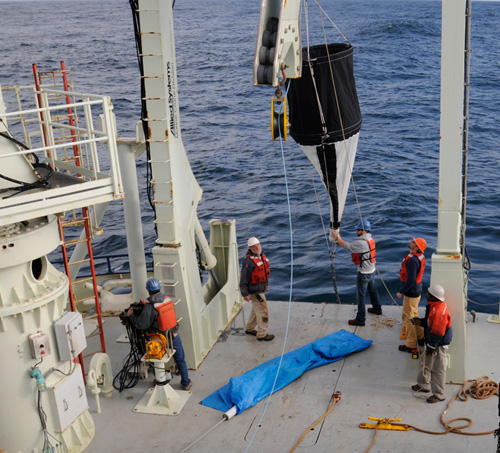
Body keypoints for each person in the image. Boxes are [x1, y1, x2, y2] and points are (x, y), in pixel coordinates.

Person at [127, 277, 192, 391]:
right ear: (159, 289)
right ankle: (186, 383)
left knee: (152, 356)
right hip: (174, 335)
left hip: (160, 339)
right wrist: (147, 304)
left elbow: (141, 324)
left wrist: (131, 315)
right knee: (181, 359)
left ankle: (163, 377)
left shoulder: (149, 307)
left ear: (148, 291)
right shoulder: (167, 299)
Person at [332, 220, 383, 326]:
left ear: (364, 231)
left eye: (359, 229)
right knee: (373, 290)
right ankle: (377, 308)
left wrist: (336, 238)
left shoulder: (360, 243)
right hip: (372, 270)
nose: (357, 231)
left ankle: (360, 319)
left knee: (360, 296)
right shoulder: (370, 239)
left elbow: (347, 246)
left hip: (364, 273)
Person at [411, 283, 452, 403]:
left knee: (438, 369)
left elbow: (438, 332)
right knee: (425, 362)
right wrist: (420, 322)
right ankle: (423, 385)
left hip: (437, 344)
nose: (426, 294)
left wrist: (430, 347)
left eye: (429, 293)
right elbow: (431, 323)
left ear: (434, 297)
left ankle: (439, 395)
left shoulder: (438, 311)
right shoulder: (434, 306)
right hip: (432, 342)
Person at [240, 237, 274, 341]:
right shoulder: (248, 262)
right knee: (263, 311)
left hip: (261, 288)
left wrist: (266, 284)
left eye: (258, 244)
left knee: (256, 310)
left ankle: (250, 328)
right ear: (250, 248)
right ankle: (262, 334)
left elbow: (264, 272)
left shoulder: (261, 256)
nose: (257, 247)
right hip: (255, 291)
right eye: (254, 246)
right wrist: (245, 294)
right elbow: (243, 279)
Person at [397, 237, 427, 353]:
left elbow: (410, 281)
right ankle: (420, 337)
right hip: (417, 291)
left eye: (413, 242)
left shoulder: (412, 261)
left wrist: (401, 292)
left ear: (416, 247)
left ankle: (410, 344)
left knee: (408, 318)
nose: (411, 242)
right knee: (414, 314)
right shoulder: (419, 258)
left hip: (411, 292)